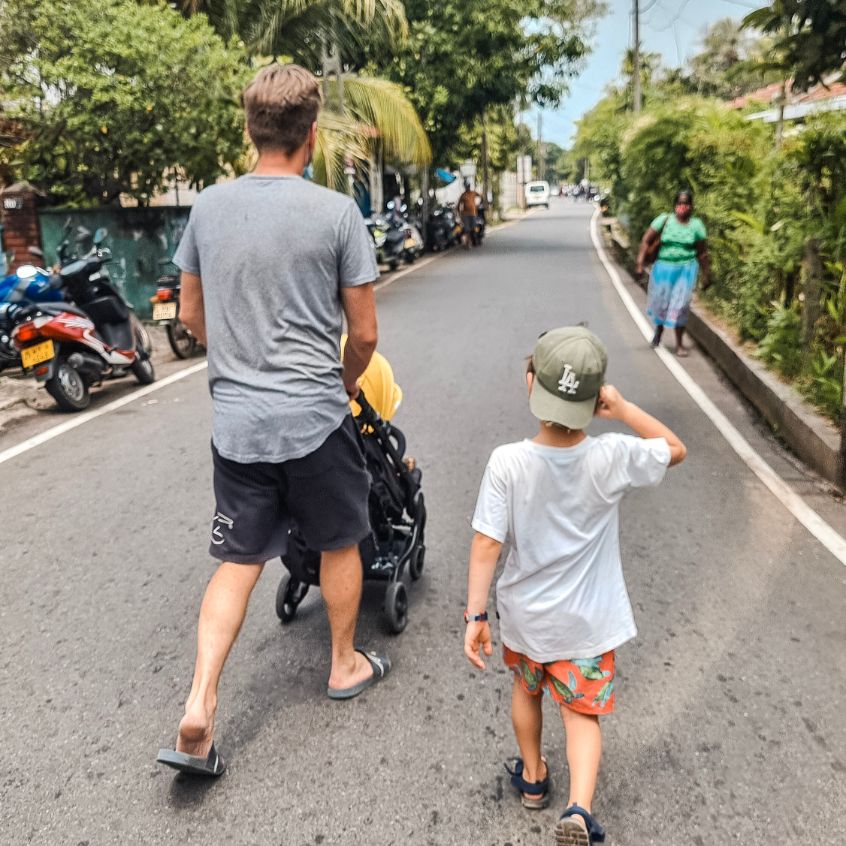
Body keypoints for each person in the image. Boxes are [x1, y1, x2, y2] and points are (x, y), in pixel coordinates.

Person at [156, 63, 388, 778]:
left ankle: (200, 703)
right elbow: (367, 335)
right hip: (316, 417)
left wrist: (238, 364)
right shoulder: (336, 213)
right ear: (311, 135)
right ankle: (344, 663)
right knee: (343, 539)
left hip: (238, 424)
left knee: (236, 562)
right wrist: (340, 385)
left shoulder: (208, 209)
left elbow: (189, 317)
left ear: (250, 130)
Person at [463, 326, 686, 844]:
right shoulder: (610, 456)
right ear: (595, 399)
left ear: (529, 383)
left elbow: (486, 545)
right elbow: (673, 448)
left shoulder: (508, 461)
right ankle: (580, 810)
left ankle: (534, 777)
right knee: (581, 713)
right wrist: (625, 408)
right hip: (587, 623)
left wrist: (476, 616)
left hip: (526, 618)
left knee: (526, 690)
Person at [635, 189, 711, 357]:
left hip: (686, 269)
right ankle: (659, 331)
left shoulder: (696, 226)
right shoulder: (665, 220)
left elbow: (702, 252)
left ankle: (679, 343)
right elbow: (647, 240)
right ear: (675, 205)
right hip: (664, 268)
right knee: (661, 302)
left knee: (681, 305)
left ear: (691, 206)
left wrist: (707, 274)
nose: (682, 207)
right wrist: (640, 263)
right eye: (679, 203)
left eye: (686, 204)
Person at [457, 180, 480, 249]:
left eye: (468, 186)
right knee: (467, 229)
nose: (468, 188)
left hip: (473, 213)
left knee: (473, 228)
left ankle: (474, 240)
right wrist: (459, 213)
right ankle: (468, 243)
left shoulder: (473, 193)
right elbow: (459, 205)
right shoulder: (463, 195)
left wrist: (478, 205)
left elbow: (480, 196)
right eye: (466, 186)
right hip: (466, 214)